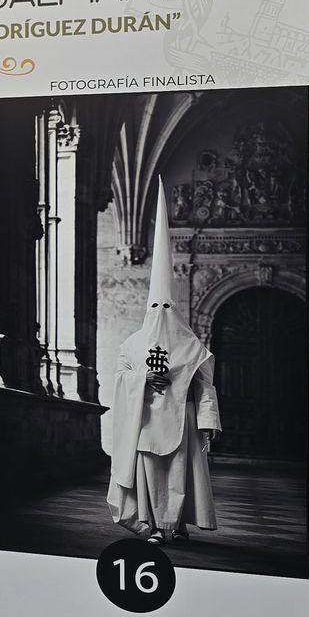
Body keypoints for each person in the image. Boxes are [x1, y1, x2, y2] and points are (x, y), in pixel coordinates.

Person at [105, 180, 220, 544]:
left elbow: (204, 385)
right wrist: (141, 378)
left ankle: (175, 524)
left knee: (178, 473)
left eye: (166, 307)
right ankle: (154, 524)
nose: (160, 312)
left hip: (181, 418)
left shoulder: (190, 344)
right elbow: (120, 376)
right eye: (156, 306)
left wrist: (206, 422)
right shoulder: (133, 342)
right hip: (146, 418)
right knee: (149, 472)